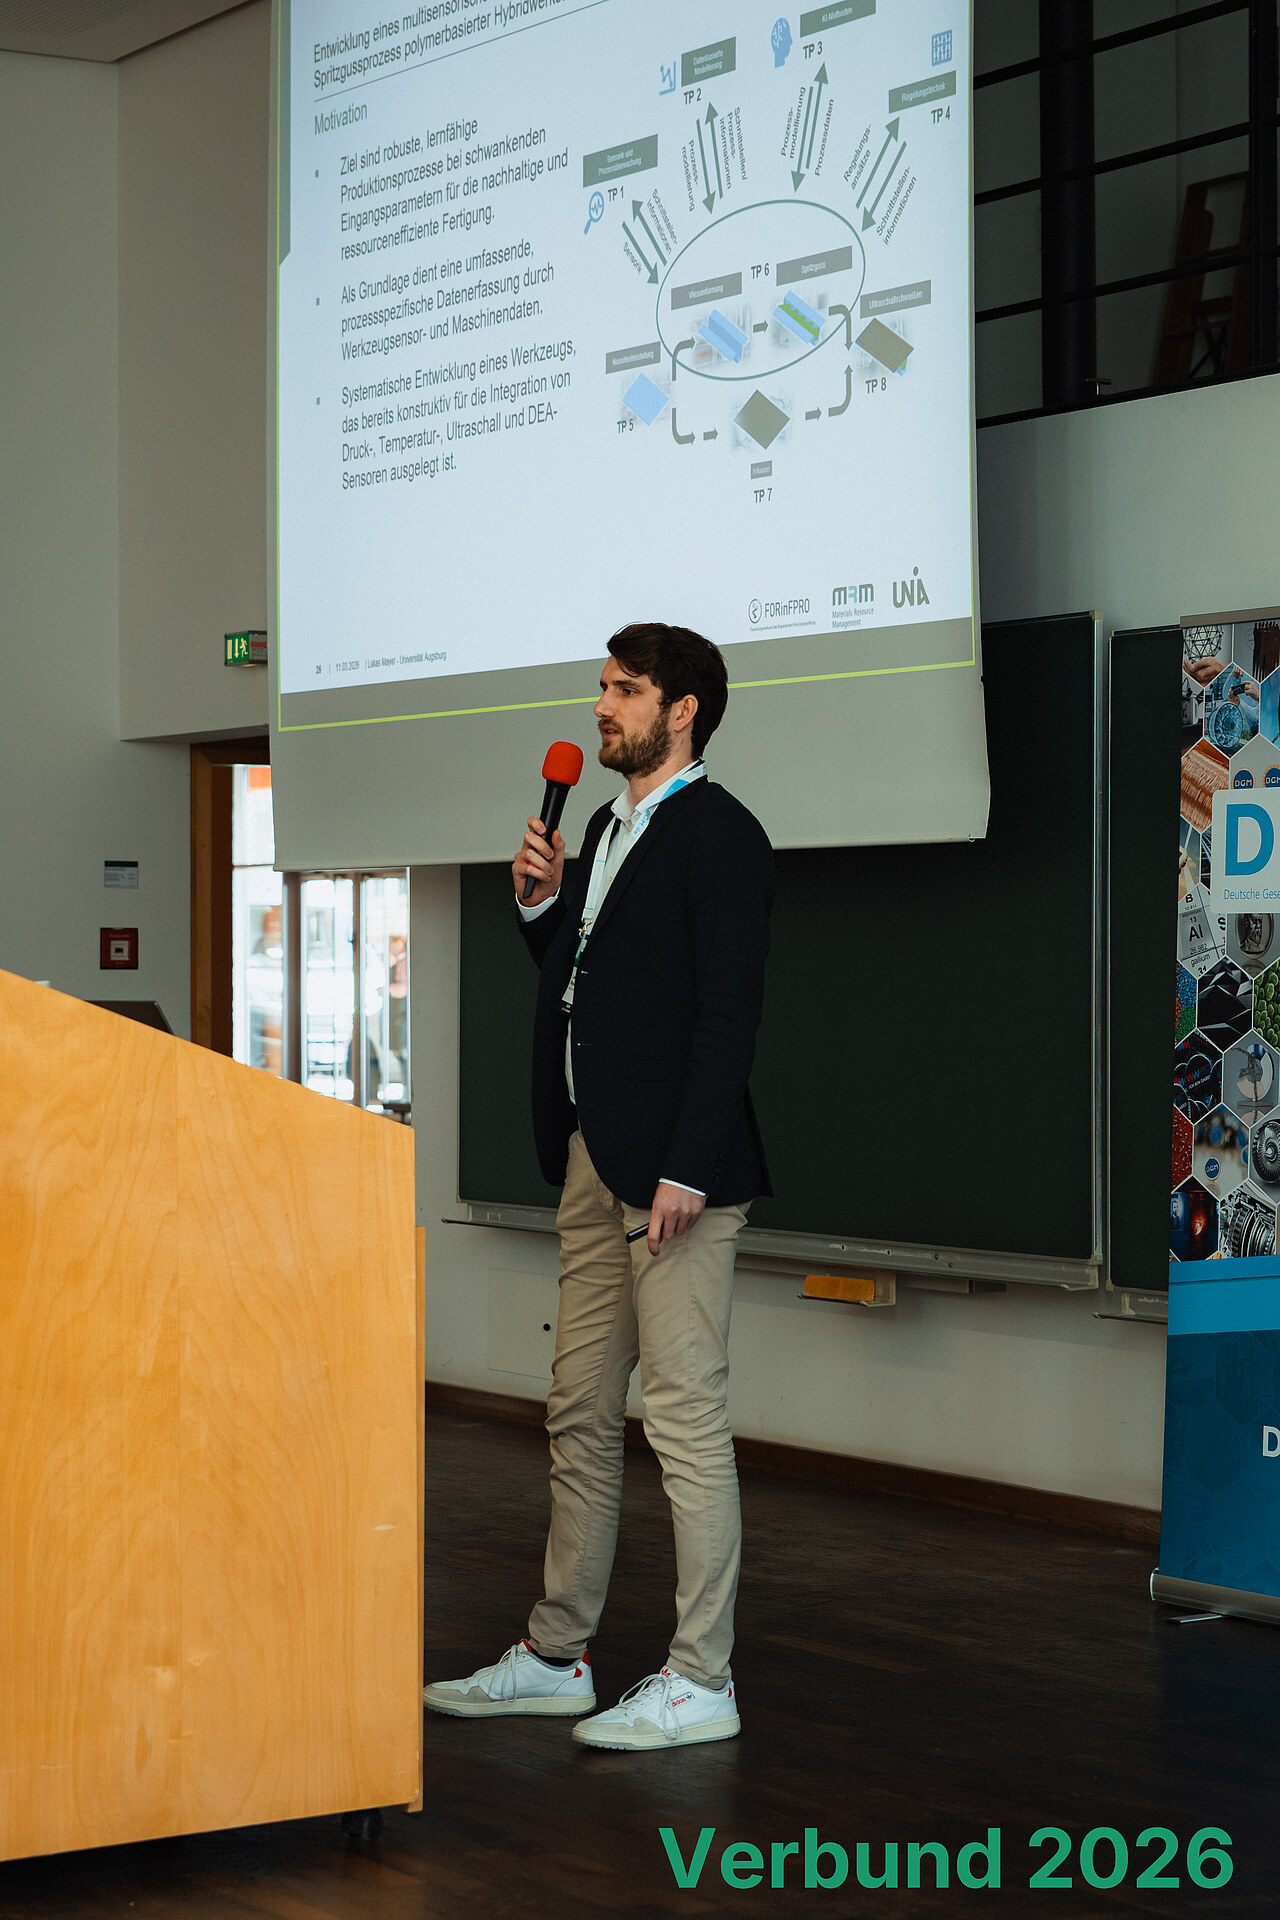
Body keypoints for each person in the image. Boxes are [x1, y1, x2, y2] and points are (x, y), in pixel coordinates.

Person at [424, 622, 774, 1750]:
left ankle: (701, 1679)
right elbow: (591, 994)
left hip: (675, 1176)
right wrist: (543, 908)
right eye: (602, 687)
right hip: (592, 1156)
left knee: (682, 1419)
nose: (601, 707)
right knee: (577, 1409)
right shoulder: (612, 827)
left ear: (682, 711)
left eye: (624, 690)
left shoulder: (722, 836)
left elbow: (726, 1016)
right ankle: (554, 1656)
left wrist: (686, 1164)